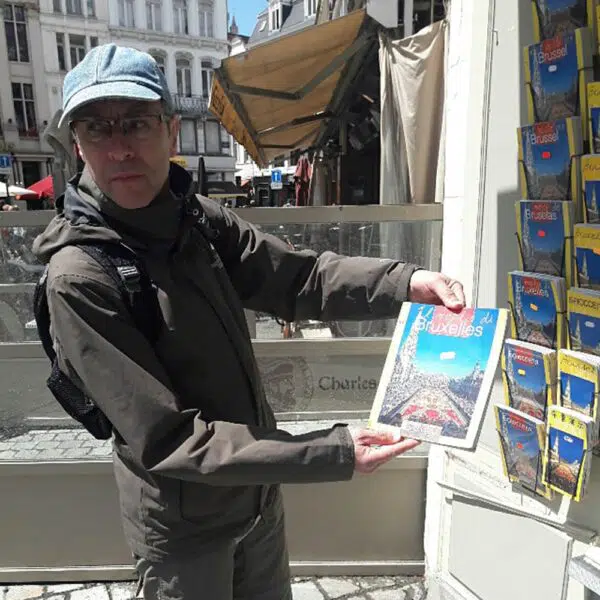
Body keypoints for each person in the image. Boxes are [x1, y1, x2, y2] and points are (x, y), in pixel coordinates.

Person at [32, 44, 466, 600]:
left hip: (256, 503)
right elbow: (169, 439)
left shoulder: (195, 218)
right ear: (77, 144)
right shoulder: (80, 276)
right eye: (96, 129)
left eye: (136, 123)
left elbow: (299, 280)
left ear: (171, 131)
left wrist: (405, 283)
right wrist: (331, 451)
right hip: (186, 535)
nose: (118, 148)